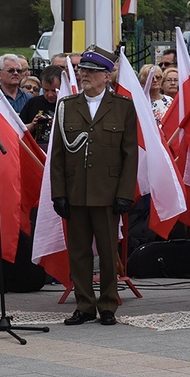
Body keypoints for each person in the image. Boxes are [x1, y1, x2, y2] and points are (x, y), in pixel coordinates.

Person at [50, 46, 138, 326]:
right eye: (83, 70)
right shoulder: (66, 105)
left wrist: (125, 193)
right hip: (75, 191)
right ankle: (84, 304)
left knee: (108, 252)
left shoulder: (122, 106)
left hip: (108, 191)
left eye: (91, 71)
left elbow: (129, 154)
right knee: (78, 252)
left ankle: (108, 304)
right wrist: (59, 193)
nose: (84, 74)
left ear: (107, 76)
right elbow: (58, 154)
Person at [20, 64, 61, 147]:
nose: (50, 95)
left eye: (54, 90)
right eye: (46, 90)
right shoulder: (34, 102)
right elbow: (18, 130)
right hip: (37, 151)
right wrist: (32, 125)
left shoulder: (68, 104)